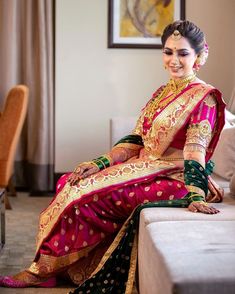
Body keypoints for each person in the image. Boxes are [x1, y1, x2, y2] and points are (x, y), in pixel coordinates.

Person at [0, 20, 225, 293]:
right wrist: (100, 163)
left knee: (88, 197)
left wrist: (196, 195)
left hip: (179, 177)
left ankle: (44, 271)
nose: (173, 60)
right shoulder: (163, 92)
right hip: (146, 165)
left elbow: (195, 150)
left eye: (183, 53)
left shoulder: (204, 98)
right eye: (168, 51)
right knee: (70, 182)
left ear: (199, 56)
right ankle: (62, 267)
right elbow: (136, 139)